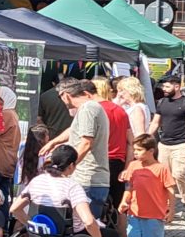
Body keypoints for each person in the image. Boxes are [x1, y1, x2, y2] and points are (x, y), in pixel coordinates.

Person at [9, 144, 117, 237]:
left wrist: (31, 225)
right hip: (68, 236)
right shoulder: (72, 187)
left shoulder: (37, 181)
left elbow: (14, 209)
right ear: (71, 166)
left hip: (42, 233)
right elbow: (88, 221)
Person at [42, 80, 111, 218]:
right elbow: (74, 130)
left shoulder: (87, 108)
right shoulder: (89, 108)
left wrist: (67, 167)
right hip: (89, 178)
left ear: (65, 95)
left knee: (84, 226)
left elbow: (86, 142)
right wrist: (53, 142)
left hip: (88, 178)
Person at [117, 134, 176, 237]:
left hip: (155, 213)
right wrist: (124, 201)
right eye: (134, 149)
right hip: (135, 212)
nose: (135, 153)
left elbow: (170, 190)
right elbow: (129, 186)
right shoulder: (133, 166)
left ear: (151, 151)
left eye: (139, 150)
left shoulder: (161, 169)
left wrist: (171, 209)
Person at [148, 75, 185, 217]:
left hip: (181, 144)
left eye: (167, 86)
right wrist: (147, 136)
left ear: (177, 87)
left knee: (179, 174)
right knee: (164, 176)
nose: (164, 89)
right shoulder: (161, 102)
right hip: (164, 144)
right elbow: (155, 122)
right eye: (164, 86)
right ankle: (164, 203)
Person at [94, 76, 133, 216]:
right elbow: (131, 141)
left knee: (95, 205)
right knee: (118, 206)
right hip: (118, 162)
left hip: (99, 161)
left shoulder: (94, 109)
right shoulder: (120, 111)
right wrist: (128, 166)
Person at [38, 75, 74, 140]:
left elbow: (38, 118)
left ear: (53, 83)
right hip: (70, 135)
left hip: (51, 135)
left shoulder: (44, 96)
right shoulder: (74, 95)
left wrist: (45, 132)